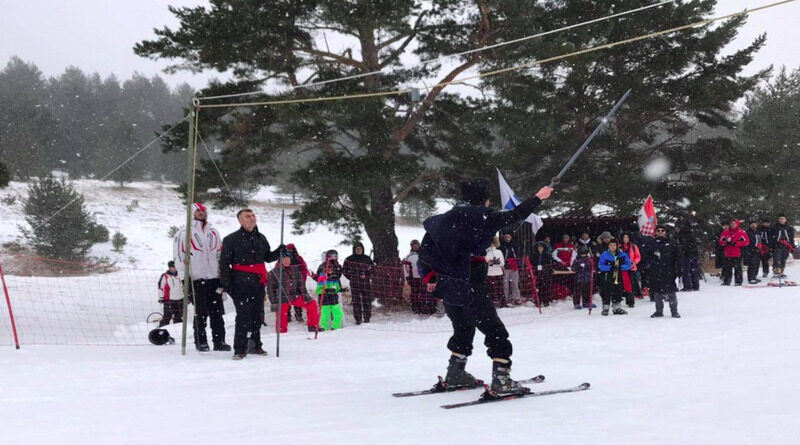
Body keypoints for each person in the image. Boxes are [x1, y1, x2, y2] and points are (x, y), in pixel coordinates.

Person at [418, 178, 553, 396]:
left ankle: (455, 373)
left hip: (448, 283)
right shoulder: (480, 216)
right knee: (495, 331)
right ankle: (501, 379)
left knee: (463, 328)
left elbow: (425, 251)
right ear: (483, 199)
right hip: (470, 281)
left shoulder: (440, 221)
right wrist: (538, 198)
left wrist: (431, 276)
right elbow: (513, 216)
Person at [219, 208, 284, 360]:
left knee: (257, 315)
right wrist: (228, 285)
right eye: (248, 216)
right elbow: (224, 264)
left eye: (253, 215)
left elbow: (267, 257)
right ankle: (240, 348)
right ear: (240, 221)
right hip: (240, 282)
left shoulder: (261, 238)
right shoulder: (231, 239)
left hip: (258, 282)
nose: (252, 218)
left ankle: (255, 345)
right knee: (243, 316)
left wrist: (278, 252)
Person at [173, 202, 229, 352]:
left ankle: (220, 341)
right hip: (196, 279)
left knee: (217, 312)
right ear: (192, 213)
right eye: (198, 212)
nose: (201, 214)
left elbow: (220, 255)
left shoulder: (214, 232)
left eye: (203, 211)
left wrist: (223, 275)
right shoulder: (183, 233)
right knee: (201, 312)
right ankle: (201, 341)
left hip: (214, 278)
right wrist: (185, 280)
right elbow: (179, 257)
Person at [267, 255, 319, 333]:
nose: (286, 261)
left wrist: (305, 295)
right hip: (281, 298)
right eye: (284, 259)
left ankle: (312, 325)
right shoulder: (273, 272)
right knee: (282, 316)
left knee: (311, 303)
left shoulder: (296, 270)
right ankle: (281, 332)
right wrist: (273, 302)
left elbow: (301, 285)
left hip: (294, 296)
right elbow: (270, 289)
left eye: (288, 259)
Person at [642, 225, 682, 318]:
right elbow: (646, 256)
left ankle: (674, 311)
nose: (660, 232)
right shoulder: (652, 243)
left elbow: (678, 257)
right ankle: (659, 311)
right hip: (655, 271)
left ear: (665, 232)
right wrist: (649, 265)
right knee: (657, 292)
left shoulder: (672, 243)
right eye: (658, 230)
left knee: (671, 291)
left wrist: (679, 269)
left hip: (669, 270)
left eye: (662, 230)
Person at [597, 239, 632, 316]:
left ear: (617, 246)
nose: (612, 247)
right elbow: (600, 265)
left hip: (618, 275)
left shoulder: (622, 254)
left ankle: (616, 308)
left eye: (614, 245)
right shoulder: (604, 254)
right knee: (606, 291)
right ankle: (605, 308)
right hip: (607, 275)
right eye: (611, 245)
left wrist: (619, 267)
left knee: (618, 291)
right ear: (608, 246)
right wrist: (609, 267)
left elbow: (629, 265)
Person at [342, 242, 375, 324]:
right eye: (357, 249)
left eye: (360, 248)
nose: (358, 250)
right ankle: (358, 318)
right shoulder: (349, 259)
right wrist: (351, 277)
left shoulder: (367, 258)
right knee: (356, 301)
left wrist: (367, 275)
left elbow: (373, 269)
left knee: (366, 300)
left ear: (363, 249)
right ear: (354, 249)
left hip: (365, 282)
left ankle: (367, 317)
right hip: (354, 282)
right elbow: (344, 270)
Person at [404, 239, 436, 314]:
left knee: (425, 292)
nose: (416, 247)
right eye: (414, 245)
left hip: (424, 277)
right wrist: (407, 277)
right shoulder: (409, 256)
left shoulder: (424, 254)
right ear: (411, 247)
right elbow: (405, 268)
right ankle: (415, 307)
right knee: (415, 292)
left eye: (417, 245)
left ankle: (425, 307)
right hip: (414, 278)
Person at [285, 243, 313, 322]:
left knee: (298, 298)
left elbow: (304, 269)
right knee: (286, 300)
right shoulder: (283, 258)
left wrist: (302, 280)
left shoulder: (299, 258)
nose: (290, 251)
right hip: (287, 282)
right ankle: (287, 316)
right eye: (288, 250)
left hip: (298, 282)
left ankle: (298, 315)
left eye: (291, 250)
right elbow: (278, 269)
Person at [317, 250, 344, 330]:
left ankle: (336, 327)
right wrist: (326, 290)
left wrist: (341, 289)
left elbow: (337, 286)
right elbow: (319, 288)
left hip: (334, 298)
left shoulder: (336, 274)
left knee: (338, 313)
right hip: (325, 299)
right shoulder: (322, 273)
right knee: (325, 314)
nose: (330, 270)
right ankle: (323, 327)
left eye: (335, 256)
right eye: (331, 256)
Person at [717, 219, 749, 286]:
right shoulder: (726, 232)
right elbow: (720, 241)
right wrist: (726, 242)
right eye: (731, 223)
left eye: (734, 223)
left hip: (737, 253)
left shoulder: (741, 232)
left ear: (737, 224)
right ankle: (727, 281)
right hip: (728, 253)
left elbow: (746, 242)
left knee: (738, 269)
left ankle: (738, 282)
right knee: (727, 268)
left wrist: (737, 243)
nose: (733, 225)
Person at [677, 213, 701, 291]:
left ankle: (687, 286)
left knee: (686, 270)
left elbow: (682, 243)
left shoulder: (682, 233)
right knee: (693, 269)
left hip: (686, 253)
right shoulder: (692, 232)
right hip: (693, 252)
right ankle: (695, 285)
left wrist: (683, 249)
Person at [498, 231, 522, 305]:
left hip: (514, 266)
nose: (507, 238)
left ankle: (516, 298)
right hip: (505, 267)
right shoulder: (501, 246)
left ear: (511, 237)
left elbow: (518, 255)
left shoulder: (515, 245)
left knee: (515, 283)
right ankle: (505, 298)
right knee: (505, 284)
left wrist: (518, 263)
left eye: (509, 237)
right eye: (506, 237)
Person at [157, 261, 184, 327]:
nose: (174, 268)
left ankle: (178, 329)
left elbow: (184, 286)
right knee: (167, 316)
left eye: (175, 267)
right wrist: (161, 297)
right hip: (169, 299)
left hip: (180, 299)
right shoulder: (165, 276)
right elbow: (161, 287)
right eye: (172, 267)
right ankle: (161, 329)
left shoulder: (181, 275)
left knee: (179, 316)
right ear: (169, 268)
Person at [619, 232, 642, 307]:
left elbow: (638, 256)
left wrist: (634, 262)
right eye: (624, 237)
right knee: (620, 285)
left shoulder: (633, 246)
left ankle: (630, 301)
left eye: (627, 237)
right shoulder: (619, 247)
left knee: (630, 285)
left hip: (631, 268)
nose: (625, 239)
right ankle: (618, 300)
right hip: (621, 268)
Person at [530, 241, 553, 307]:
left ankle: (546, 301)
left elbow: (549, 264)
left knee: (545, 287)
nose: (540, 248)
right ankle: (538, 301)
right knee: (538, 287)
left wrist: (545, 267)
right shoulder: (534, 255)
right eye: (538, 247)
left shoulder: (547, 255)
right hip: (537, 273)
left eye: (541, 247)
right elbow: (532, 263)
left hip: (545, 273)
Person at [771, 214, 795, 278]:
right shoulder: (775, 227)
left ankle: (781, 272)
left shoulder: (789, 228)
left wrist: (792, 246)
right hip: (777, 246)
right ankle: (776, 272)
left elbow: (791, 238)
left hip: (786, 246)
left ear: (785, 220)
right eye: (780, 219)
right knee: (777, 260)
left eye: (783, 219)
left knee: (783, 260)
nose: (782, 220)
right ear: (778, 220)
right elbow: (772, 237)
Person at [485, 237, 507, 308]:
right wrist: (488, 263)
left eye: (493, 243)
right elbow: (484, 261)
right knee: (490, 289)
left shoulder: (499, 252)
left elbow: (502, 263)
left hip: (498, 272)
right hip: (489, 273)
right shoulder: (486, 252)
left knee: (499, 289)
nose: (492, 245)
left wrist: (496, 262)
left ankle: (502, 303)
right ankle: (490, 304)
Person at [571, 245, 594, 309]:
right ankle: (576, 303)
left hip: (587, 278)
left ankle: (586, 302)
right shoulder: (576, 260)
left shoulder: (589, 260)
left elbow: (592, 267)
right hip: (579, 278)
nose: (583, 255)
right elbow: (573, 268)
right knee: (577, 292)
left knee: (587, 291)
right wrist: (579, 266)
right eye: (582, 254)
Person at [744, 220, 762, 285]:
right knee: (752, 264)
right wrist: (748, 250)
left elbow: (759, 240)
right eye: (752, 224)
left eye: (755, 224)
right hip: (751, 250)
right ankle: (750, 278)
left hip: (758, 250)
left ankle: (754, 276)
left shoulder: (757, 232)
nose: (754, 225)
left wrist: (760, 246)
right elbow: (746, 242)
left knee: (757, 264)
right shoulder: (747, 232)